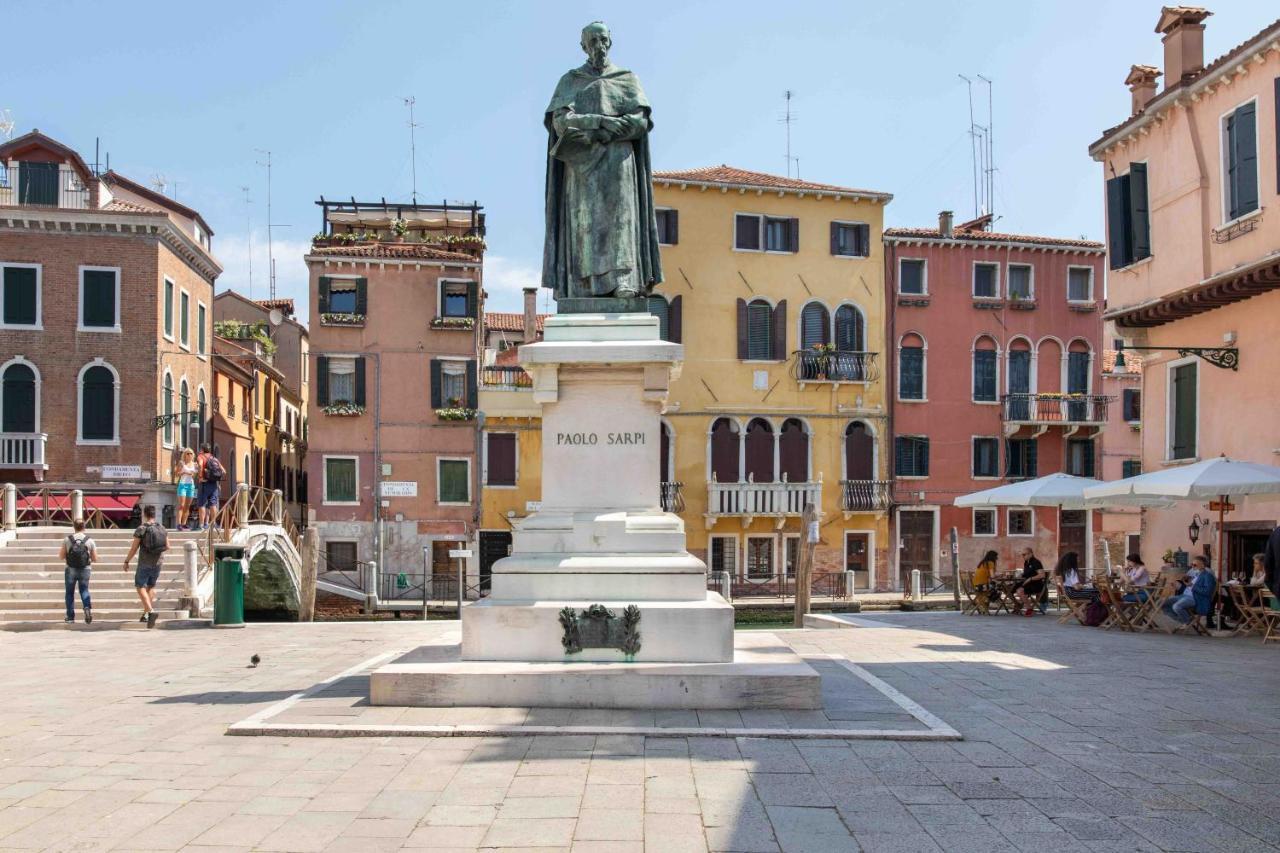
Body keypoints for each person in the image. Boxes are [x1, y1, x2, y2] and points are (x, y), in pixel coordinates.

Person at [123, 505, 169, 628]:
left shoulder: (141, 529)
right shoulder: (162, 528)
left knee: (139, 586)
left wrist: (127, 561)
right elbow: (168, 546)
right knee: (151, 586)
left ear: (144, 514)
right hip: (158, 561)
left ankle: (150, 610)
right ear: (155, 514)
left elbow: (134, 548)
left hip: (144, 562)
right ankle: (146, 615)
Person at [59, 519, 97, 624]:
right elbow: (95, 558)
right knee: (84, 590)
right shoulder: (89, 540)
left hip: (70, 569)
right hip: (85, 569)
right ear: (84, 527)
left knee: (69, 593)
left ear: (74, 527)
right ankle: (87, 608)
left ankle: (70, 617)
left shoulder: (67, 539)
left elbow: (61, 556)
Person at [1162, 555, 1208, 625]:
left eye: (1195, 565)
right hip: (1185, 594)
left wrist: (1192, 585)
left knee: (1176, 606)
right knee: (1163, 604)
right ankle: (1185, 620)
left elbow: (1205, 590)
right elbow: (1186, 578)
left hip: (1194, 598)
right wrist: (1186, 579)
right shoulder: (1195, 572)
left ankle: (1187, 621)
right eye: (1192, 564)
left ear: (1202, 565)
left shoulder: (1206, 575)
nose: (1192, 566)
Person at [196, 443, 224, 530]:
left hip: (204, 483)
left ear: (202, 449)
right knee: (213, 504)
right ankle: (214, 524)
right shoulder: (214, 458)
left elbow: (200, 465)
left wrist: (200, 477)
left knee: (202, 504)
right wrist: (217, 482)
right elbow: (223, 471)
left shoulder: (200, 456)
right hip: (214, 484)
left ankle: (201, 525)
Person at [1012, 547, 1046, 616]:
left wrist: (1030, 579)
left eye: (1024, 554)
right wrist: (1020, 575)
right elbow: (1027, 574)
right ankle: (1018, 605)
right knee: (1009, 588)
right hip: (1027, 583)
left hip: (1036, 584)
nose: (1023, 556)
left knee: (1020, 591)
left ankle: (1029, 609)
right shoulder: (1026, 563)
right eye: (1022, 555)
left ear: (1031, 554)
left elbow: (1042, 575)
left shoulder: (1036, 562)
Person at [173, 447, 198, 530]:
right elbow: (176, 474)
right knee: (181, 505)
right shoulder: (181, 463)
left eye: (191, 453)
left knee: (187, 506)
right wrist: (184, 472)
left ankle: (184, 524)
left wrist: (194, 472)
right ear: (185, 455)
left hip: (191, 485)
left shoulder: (195, 464)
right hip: (182, 485)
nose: (189, 455)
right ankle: (178, 524)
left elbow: (195, 475)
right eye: (188, 453)